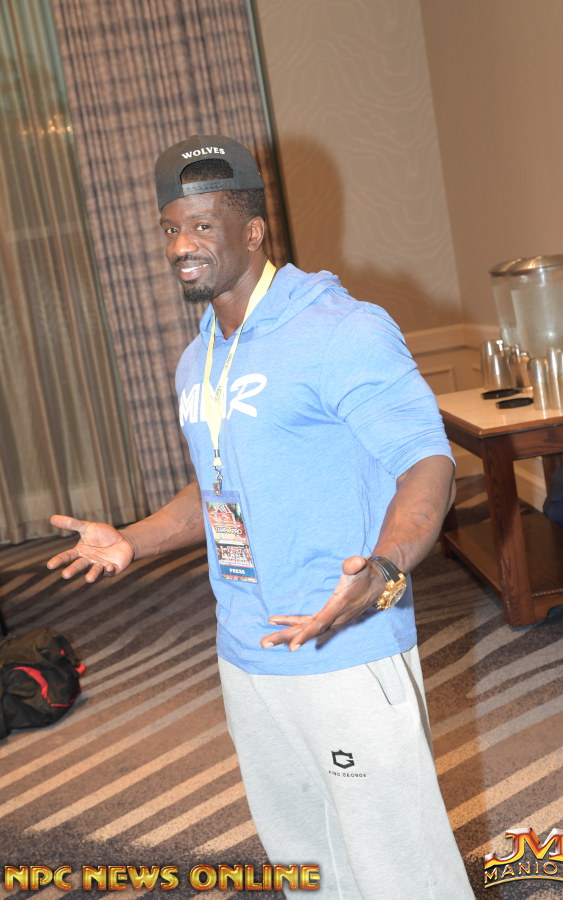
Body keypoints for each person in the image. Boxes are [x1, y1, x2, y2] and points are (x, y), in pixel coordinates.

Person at [47, 135, 474, 899]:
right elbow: (220, 490)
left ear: (252, 231)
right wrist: (131, 540)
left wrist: (384, 568)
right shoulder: (200, 358)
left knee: (399, 871)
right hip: (246, 651)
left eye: (201, 226)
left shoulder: (342, 330)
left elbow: (427, 463)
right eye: (170, 228)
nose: (181, 246)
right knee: (305, 862)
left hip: (342, 641)